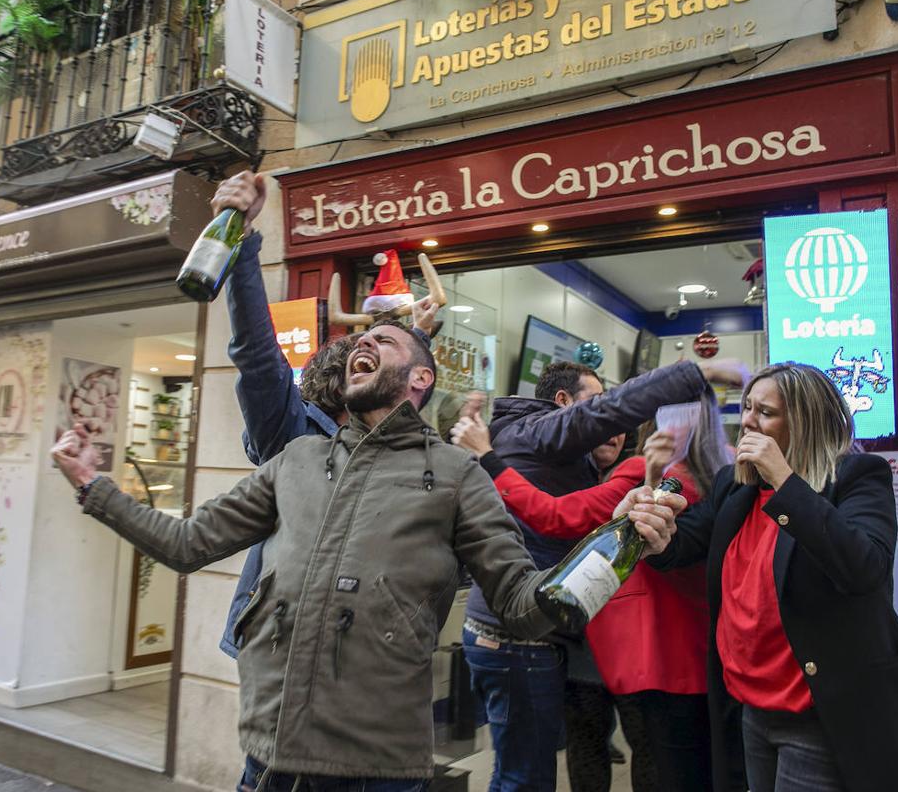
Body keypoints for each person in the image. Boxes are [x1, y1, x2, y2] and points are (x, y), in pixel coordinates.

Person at [52, 321, 684, 789]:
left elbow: (524, 604)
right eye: (362, 339)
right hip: (268, 757)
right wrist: (92, 485)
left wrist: (620, 541)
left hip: (376, 767)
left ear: (420, 377)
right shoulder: (295, 461)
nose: (364, 343)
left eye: (383, 340)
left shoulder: (458, 474)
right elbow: (186, 545)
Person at [648, 362, 898, 792]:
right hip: (750, 705)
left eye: (765, 412)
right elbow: (681, 545)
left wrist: (785, 481)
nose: (748, 421)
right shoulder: (734, 487)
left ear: (804, 423)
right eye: (747, 407)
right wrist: (650, 528)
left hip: (818, 709)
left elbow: (864, 569)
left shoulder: (856, 477)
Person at [459, 357, 747, 792]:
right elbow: (557, 516)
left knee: (590, 751)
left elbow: (565, 516)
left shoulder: (645, 471)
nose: (613, 421)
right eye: (599, 407)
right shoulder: (725, 472)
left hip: (620, 643)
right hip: (627, 644)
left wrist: (487, 456)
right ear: (564, 404)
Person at [213, 171, 437, 658]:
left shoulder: (378, 440)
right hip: (283, 650)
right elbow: (256, 352)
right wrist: (242, 241)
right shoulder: (290, 435)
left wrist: (417, 346)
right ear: (346, 384)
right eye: (367, 360)